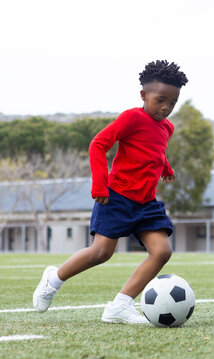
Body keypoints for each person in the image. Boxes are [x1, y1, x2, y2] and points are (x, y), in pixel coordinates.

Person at [33, 60, 188, 324]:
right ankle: (53, 278)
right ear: (143, 95)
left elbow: (154, 151)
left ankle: (120, 305)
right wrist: (99, 185)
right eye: (161, 100)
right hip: (116, 197)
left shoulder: (167, 127)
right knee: (101, 253)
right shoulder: (132, 118)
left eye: (172, 102)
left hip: (147, 202)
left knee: (162, 251)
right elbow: (98, 145)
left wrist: (166, 167)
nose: (166, 107)